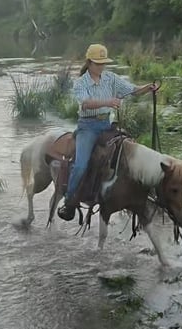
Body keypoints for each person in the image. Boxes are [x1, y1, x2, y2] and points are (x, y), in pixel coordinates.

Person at [57, 43, 157, 221]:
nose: (101, 66)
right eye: (98, 63)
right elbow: (86, 103)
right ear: (89, 63)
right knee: (80, 165)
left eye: (103, 63)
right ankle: (69, 200)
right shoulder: (80, 83)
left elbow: (132, 91)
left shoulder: (111, 77)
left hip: (106, 126)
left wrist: (147, 88)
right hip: (87, 127)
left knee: (129, 153)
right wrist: (108, 102)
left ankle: (132, 193)